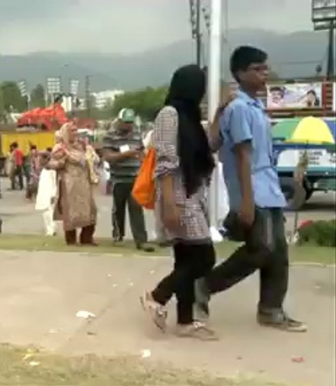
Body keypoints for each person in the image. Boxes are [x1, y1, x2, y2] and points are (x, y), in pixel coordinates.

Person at [195, 46, 306, 332]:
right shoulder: (241, 108)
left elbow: (224, 145)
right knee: (261, 249)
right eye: (257, 69)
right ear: (241, 74)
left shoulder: (256, 107)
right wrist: (245, 201)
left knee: (278, 251)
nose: (264, 74)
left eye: (265, 68)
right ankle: (203, 286)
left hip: (269, 188)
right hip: (252, 188)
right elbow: (242, 155)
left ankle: (271, 309)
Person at [139, 65, 221, 340]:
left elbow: (206, 151)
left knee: (185, 258)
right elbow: (165, 162)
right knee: (204, 257)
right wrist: (171, 205)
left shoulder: (190, 118)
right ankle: (156, 296)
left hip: (192, 195)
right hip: (178, 196)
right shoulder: (169, 115)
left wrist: (218, 115)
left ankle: (185, 321)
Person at [103, 108, 154, 252]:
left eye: (130, 123)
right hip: (118, 179)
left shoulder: (137, 134)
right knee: (118, 209)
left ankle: (141, 240)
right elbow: (108, 157)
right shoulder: (110, 136)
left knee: (136, 208)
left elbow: (140, 153)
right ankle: (118, 236)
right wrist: (126, 154)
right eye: (126, 123)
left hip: (135, 177)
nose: (129, 126)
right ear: (119, 121)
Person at [48, 122, 98, 246]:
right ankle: (71, 240)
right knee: (70, 212)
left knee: (90, 210)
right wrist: (62, 161)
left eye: (76, 130)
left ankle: (86, 238)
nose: (75, 133)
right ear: (65, 132)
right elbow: (51, 164)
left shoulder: (84, 146)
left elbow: (94, 159)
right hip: (69, 184)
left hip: (84, 183)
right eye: (72, 131)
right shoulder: (60, 148)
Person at [35, 151, 57, 236]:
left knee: (49, 212)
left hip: (49, 193)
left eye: (40, 159)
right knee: (45, 212)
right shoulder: (44, 169)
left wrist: (53, 194)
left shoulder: (51, 169)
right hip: (43, 192)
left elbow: (54, 182)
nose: (39, 161)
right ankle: (49, 229)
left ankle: (51, 230)